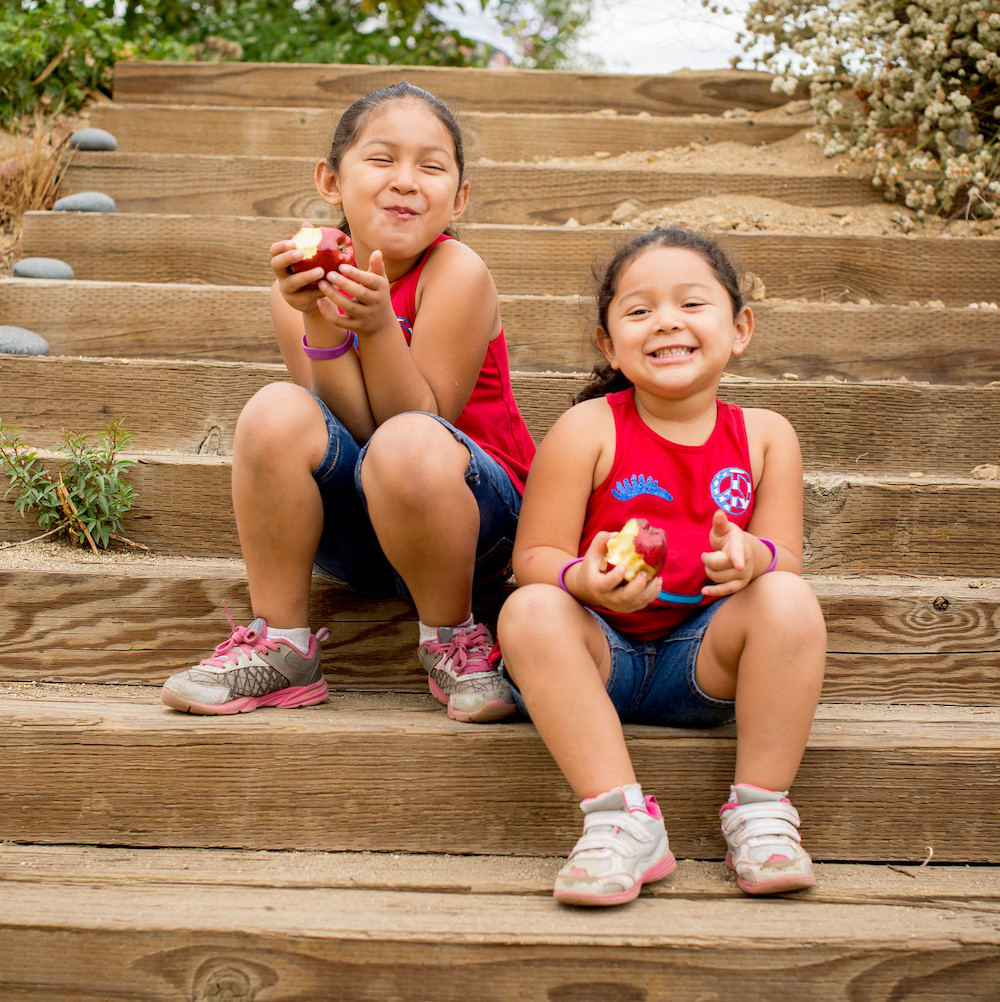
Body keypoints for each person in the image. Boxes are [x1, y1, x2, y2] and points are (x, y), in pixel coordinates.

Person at [161, 81, 535, 723]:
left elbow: (418, 424)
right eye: (382, 159)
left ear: (460, 197)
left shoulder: (457, 273)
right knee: (276, 410)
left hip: (473, 527)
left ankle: (454, 641)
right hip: (366, 533)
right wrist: (325, 323)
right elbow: (351, 430)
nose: (407, 181)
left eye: (432, 166)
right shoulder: (298, 285)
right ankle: (281, 646)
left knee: (410, 442)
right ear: (331, 181)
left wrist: (380, 326)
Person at [496, 226, 827, 905]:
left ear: (740, 327)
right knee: (528, 608)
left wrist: (752, 557)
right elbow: (533, 557)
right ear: (608, 343)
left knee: (788, 597)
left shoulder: (765, 436)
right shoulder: (589, 429)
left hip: (699, 662)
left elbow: (784, 554)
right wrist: (580, 581)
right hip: (597, 660)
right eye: (639, 310)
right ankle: (620, 821)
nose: (666, 322)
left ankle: (761, 811)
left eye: (692, 304)